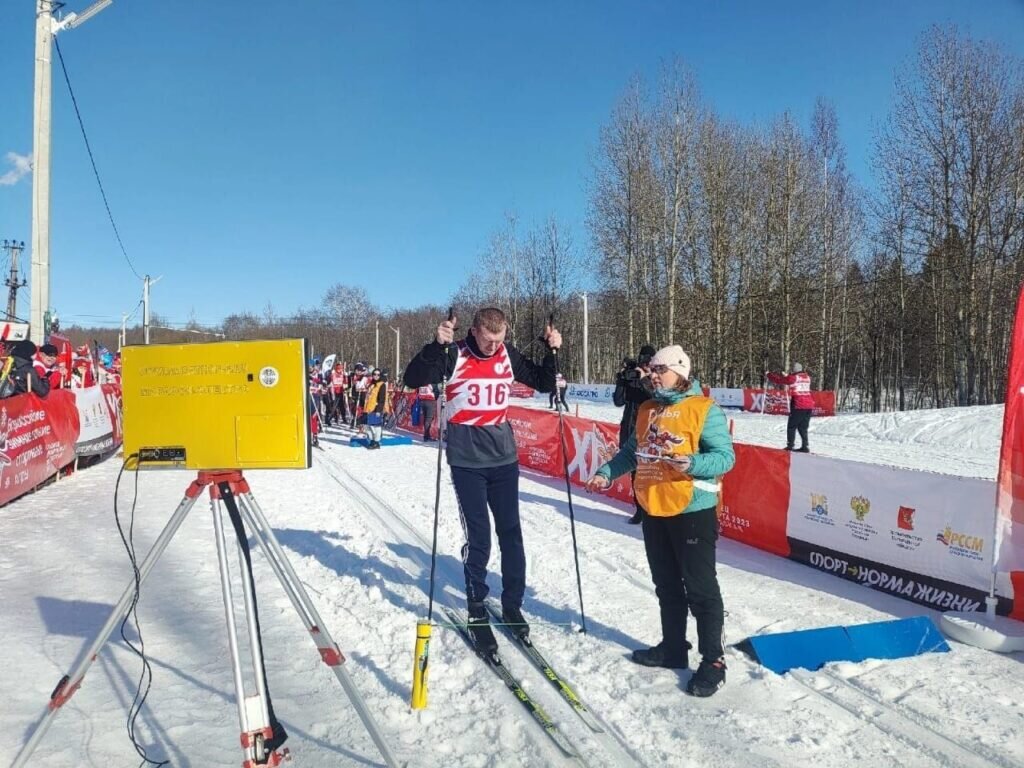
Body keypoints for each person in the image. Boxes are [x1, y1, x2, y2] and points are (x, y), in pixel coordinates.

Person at [403, 307, 561, 652]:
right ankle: (476, 607)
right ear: (474, 331)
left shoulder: (507, 354)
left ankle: (512, 604)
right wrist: (434, 344)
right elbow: (411, 378)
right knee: (480, 539)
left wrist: (552, 351)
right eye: (488, 341)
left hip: (503, 458)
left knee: (511, 534)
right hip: (467, 461)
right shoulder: (454, 354)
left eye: (499, 340)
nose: (493, 347)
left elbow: (545, 382)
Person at [586, 344, 734, 698]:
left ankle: (713, 660)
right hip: (654, 507)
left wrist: (693, 464)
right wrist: (608, 472)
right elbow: (630, 452)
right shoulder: (648, 408)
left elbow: (725, 458)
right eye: (651, 371)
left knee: (700, 589)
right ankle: (673, 649)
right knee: (666, 585)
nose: (653, 376)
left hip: (692, 510)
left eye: (660, 370)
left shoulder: (703, 409)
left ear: (680, 372)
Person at [613, 344, 655, 524]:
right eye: (643, 362)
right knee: (635, 472)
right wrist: (622, 381)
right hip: (630, 428)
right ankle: (639, 509)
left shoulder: (656, 377)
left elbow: (656, 397)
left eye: (649, 362)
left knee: (650, 472)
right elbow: (618, 401)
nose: (645, 366)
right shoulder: (632, 375)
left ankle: (652, 510)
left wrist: (645, 378)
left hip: (650, 430)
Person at [767, 363, 813, 452]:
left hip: (798, 404)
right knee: (803, 427)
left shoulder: (793, 378)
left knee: (791, 426)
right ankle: (805, 446)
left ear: (794, 370)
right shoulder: (807, 377)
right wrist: (788, 376)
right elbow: (795, 380)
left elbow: (779, 380)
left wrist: (768, 375)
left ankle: (790, 445)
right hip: (809, 405)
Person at [363, 368, 390, 449]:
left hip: (376, 408)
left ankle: (376, 442)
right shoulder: (371, 384)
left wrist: (379, 410)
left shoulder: (382, 385)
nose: (376, 376)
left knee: (376, 426)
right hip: (368, 407)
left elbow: (382, 399)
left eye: (378, 374)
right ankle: (372, 440)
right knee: (367, 426)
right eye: (374, 374)